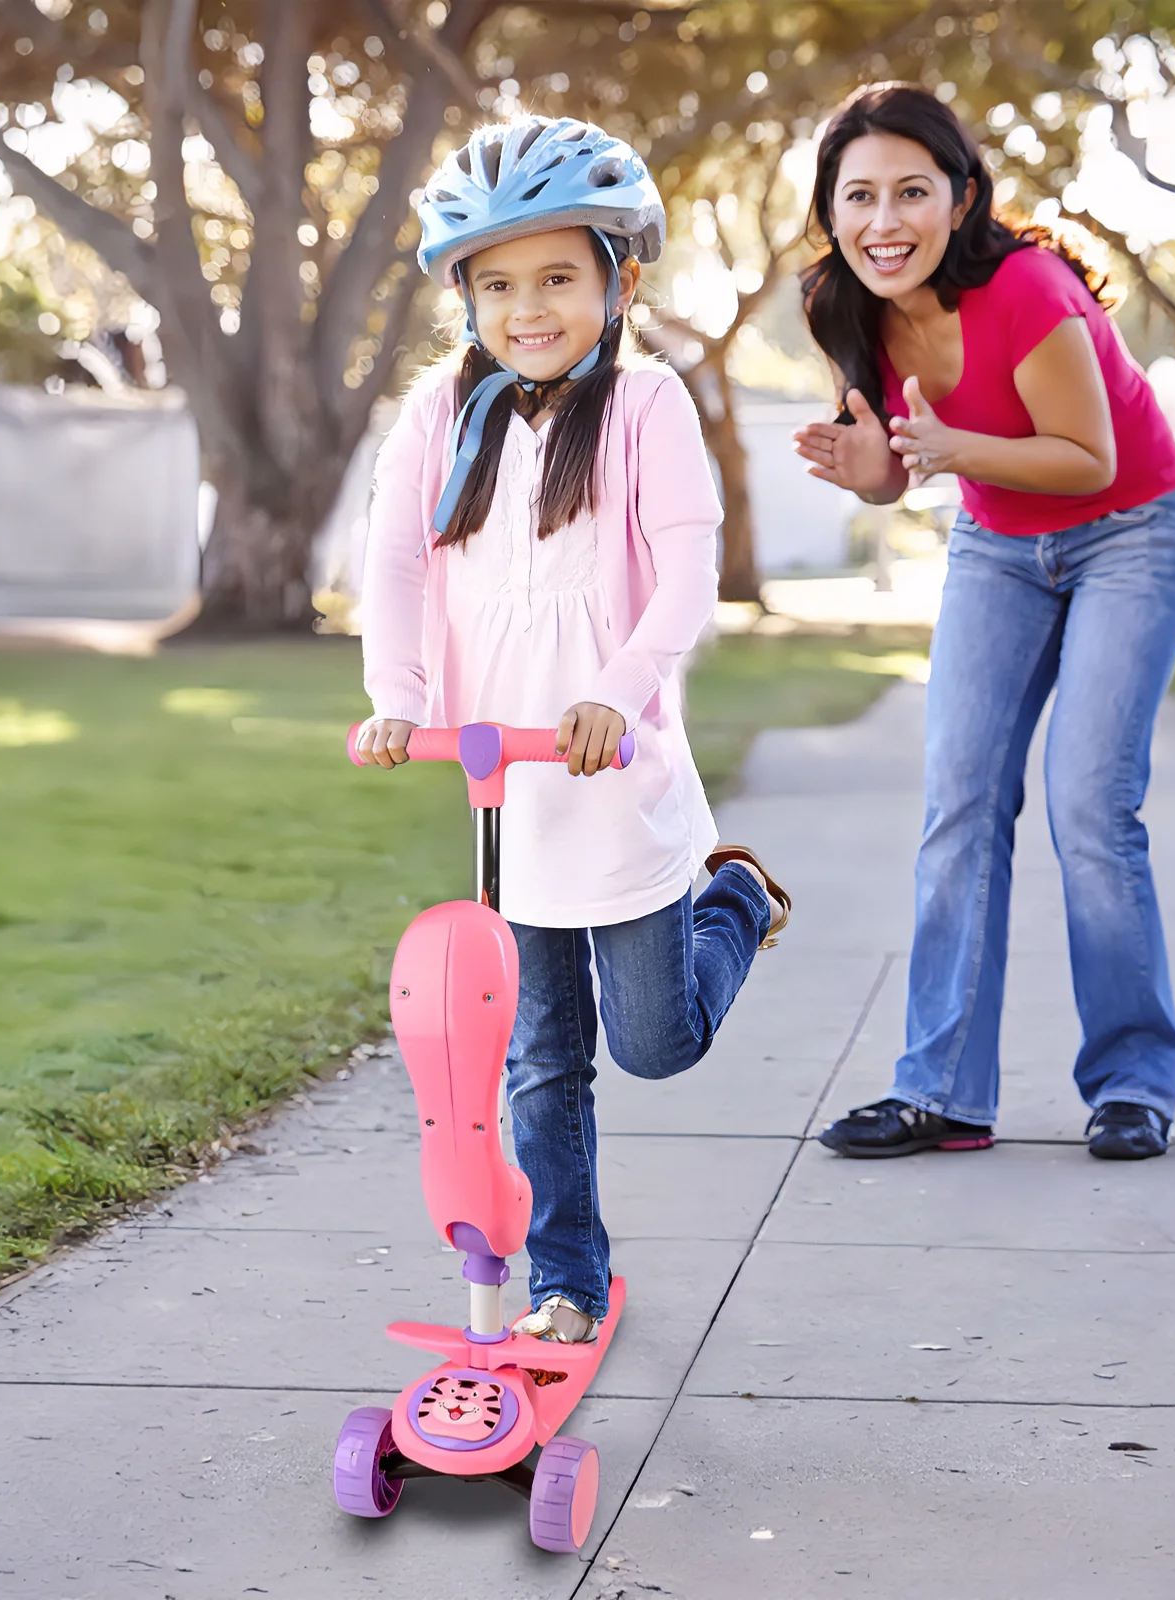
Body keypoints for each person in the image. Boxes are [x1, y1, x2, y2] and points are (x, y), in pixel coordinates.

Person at [353, 116, 790, 1342]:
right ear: (465, 297)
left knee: (654, 1044)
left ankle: (734, 899)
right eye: (497, 284)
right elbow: (392, 564)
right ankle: (565, 1280)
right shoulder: (438, 417)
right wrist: (399, 695)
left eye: (556, 277)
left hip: (616, 777)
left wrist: (620, 688)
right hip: (510, 795)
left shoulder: (645, 405)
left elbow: (689, 573)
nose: (527, 308)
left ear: (619, 282)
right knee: (539, 1059)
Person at [793, 84, 1175, 1163]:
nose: (884, 221)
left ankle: (1133, 1085)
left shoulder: (1027, 290)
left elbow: (1089, 459)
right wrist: (871, 471)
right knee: (960, 800)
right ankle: (940, 1091)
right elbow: (900, 463)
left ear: (962, 196)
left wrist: (946, 455)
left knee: (1088, 803)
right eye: (858, 196)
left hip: (1132, 531)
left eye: (911, 192)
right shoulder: (845, 305)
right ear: (830, 210)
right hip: (999, 543)